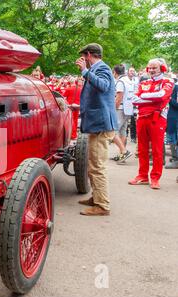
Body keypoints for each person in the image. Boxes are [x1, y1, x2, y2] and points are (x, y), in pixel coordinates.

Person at [75, 43, 117, 216]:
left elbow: (104, 86)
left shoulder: (103, 68)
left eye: (83, 56)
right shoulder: (98, 69)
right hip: (98, 124)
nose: (82, 60)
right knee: (93, 165)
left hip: (101, 125)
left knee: (97, 166)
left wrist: (85, 71)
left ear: (89, 55)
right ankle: (97, 197)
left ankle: (102, 206)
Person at [129, 59, 174, 189]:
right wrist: (151, 99)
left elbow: (162, 95)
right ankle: (142, 176)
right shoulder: (144, 82)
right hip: (142, 118)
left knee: (157, 150)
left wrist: (144, 96)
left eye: (154, 68)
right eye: (149, 68)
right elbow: (134, 99)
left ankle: (155, 178)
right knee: (142, 149)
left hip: (157, 118)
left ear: (162, 68)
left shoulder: (168, 81)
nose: (151, 70)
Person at [110, 64, 134, 164]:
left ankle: (124, 152)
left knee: (111, 131)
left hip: (120, 108)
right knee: (123, 131)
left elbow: (119, 97)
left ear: (115, 72)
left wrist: (113, 109)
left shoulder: (120, 81)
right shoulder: (129, 80)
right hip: (128, 109)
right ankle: (122, 154)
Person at [166, 79, 178, 169]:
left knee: (172, 137)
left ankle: (176, 159)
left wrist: (168, 97)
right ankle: (175, 158)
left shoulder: (176, 88)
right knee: (171, 137)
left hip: (174, 117)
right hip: (170, 116)